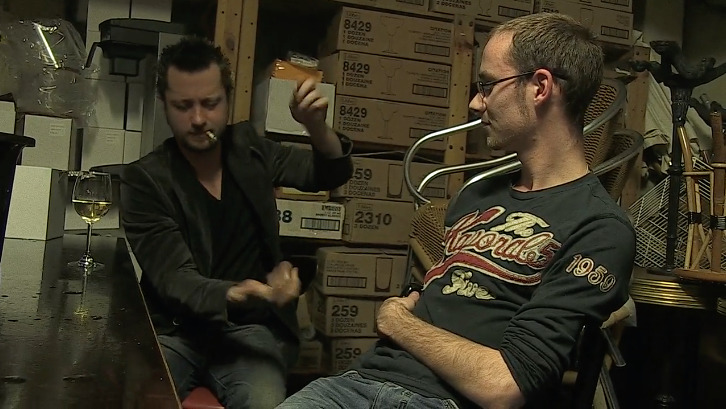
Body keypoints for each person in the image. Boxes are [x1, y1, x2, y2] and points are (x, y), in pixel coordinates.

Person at [278, 12, 635, 409]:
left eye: (488, 85)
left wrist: (397, 322)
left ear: (539, 87)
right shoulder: (477, 194)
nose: (475, 102)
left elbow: (504, 386)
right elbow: (444, 297)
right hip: (358, 383)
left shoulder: (600, 229)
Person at [120, 36, 353, 408]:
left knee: (263, 401)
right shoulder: (145, 180)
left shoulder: (249, 148)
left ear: (227, 98)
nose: (199, 119)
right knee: (137, 398)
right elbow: (174, 278)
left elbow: (327, 174)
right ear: (164, 104)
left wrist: (316, 127)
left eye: (210, 103)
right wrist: (238, 292)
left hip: (248, 330)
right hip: (174, 332)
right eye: (183, 106)